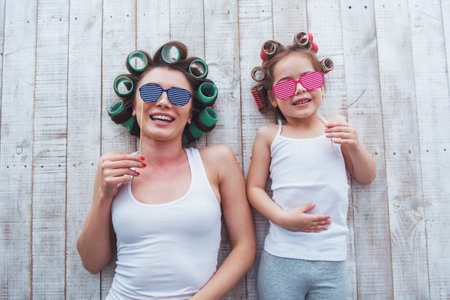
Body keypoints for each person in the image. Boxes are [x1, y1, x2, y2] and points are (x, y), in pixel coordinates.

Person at [77, 41, 256, 300]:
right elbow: (92, 263)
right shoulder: (114, 170)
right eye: (150, 92)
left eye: (179, 96)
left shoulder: (217, 162)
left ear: (191, 114)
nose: (163, 101)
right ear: (134, 106)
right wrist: (103, 195)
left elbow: (245, 247)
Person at [246, 32, 376, 299]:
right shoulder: (270, 135)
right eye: (285, 86)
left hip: (331, 260)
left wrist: (355, 144)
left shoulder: (335, 126)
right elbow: (254, 189)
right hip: (282, 257)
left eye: (310, 79)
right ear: (273, 99)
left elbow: (366, 176)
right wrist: (281, 218)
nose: (300, 89)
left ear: (322, 86)